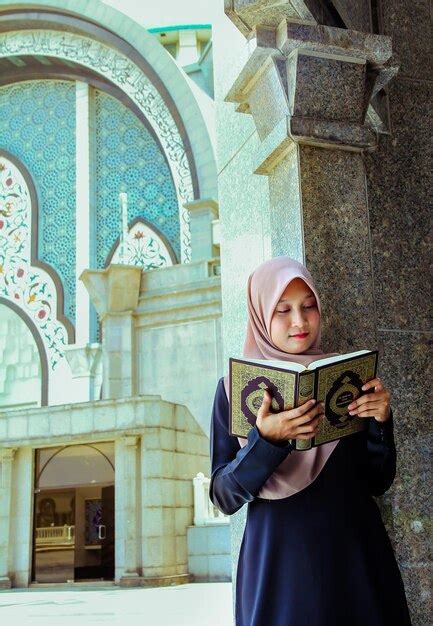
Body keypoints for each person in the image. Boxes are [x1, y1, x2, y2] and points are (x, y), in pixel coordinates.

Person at [209, 256, 412, 626]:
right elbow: (223, 495)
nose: (299, 321)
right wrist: (266, 441)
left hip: (355, 559)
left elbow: (377, 481)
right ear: (260, 315)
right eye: (282, 310)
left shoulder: (347, 376)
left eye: (308, 306)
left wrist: (381, 421)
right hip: (279, 567)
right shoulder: (232, 389)